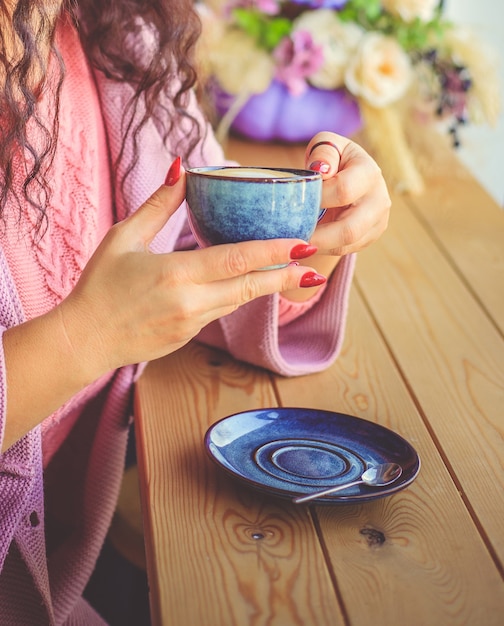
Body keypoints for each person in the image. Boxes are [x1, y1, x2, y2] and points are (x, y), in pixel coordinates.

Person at [0, 0, 390, 623]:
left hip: (71, 538)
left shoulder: (121, 28)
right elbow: (116, 312)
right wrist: (83, 338)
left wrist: (316, 231)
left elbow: (186, 257)